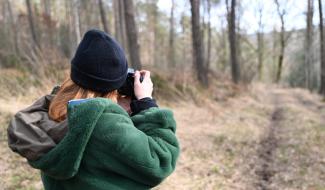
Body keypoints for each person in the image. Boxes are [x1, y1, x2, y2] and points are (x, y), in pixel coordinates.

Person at [7, 29, 179, 190]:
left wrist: (115, 109)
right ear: (114, 86)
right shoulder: (106, 125)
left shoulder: (52, 111)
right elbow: (160, 161)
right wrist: (146, 104)